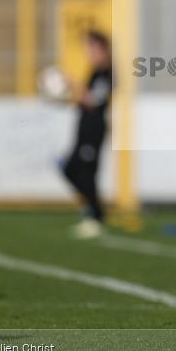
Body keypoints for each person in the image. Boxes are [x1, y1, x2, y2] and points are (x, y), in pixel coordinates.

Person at [62, 30, 113, 239]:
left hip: (94, 129)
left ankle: (95, 217)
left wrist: (73, 85)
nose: (89, 53)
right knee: (70, 169)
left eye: (92, 48)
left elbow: (93, 100)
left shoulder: (107, 73)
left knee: (86, 173)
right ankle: (93, 211)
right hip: (84, 126)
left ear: (102, 49)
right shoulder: (94, 71)